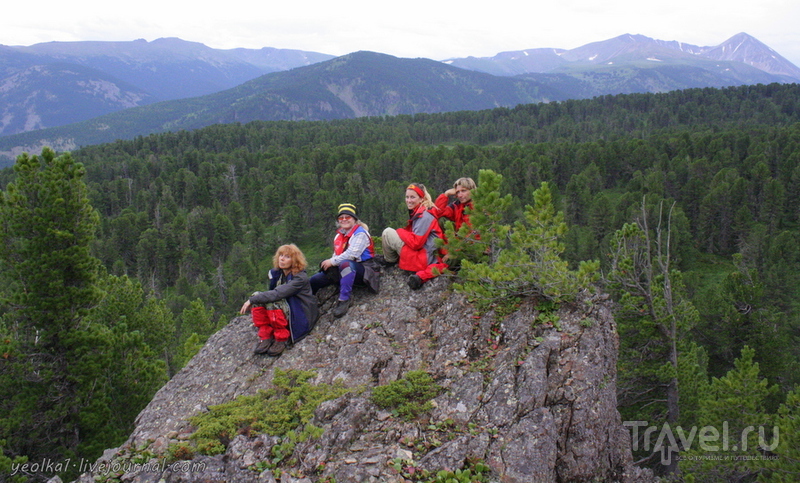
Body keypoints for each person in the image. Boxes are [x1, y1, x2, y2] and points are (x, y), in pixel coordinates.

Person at [240, 244, 319, 356]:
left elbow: (277, 294)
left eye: (287, 257)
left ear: (294, 260)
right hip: (287, 310)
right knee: (258, 297)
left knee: (271, 302)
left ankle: (281, 338)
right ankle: (266, 336)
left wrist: (251, 300)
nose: (282, 258)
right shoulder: (277, 274)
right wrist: (255, 299)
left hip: (299, 315)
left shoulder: (300, 278)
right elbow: (270, 293)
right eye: (280, 255)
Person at [310, 203, 380, 318]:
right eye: (341, 218)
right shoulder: (339, 236)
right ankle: (307, 302)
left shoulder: (360, 234)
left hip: (364, 270)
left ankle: (344, 299)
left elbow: (352, 255)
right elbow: (336, 255)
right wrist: (329, 263)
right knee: (315, 280)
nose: (344, 220)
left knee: (346, 264)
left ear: (354, 219)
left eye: (347, 217)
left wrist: (332, 262)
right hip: (343, 268)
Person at [381, 183, 448, 290]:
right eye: (407, 197)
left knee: (387, 232)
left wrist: (400, 231)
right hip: (425, 255)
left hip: (421, 258)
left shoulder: (424, 216)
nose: (409, 200)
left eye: (413, 197)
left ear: (421, 199)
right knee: (391, 233)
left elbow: (416, 243)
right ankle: (392, 260)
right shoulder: (425, 211)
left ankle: (390, 261)